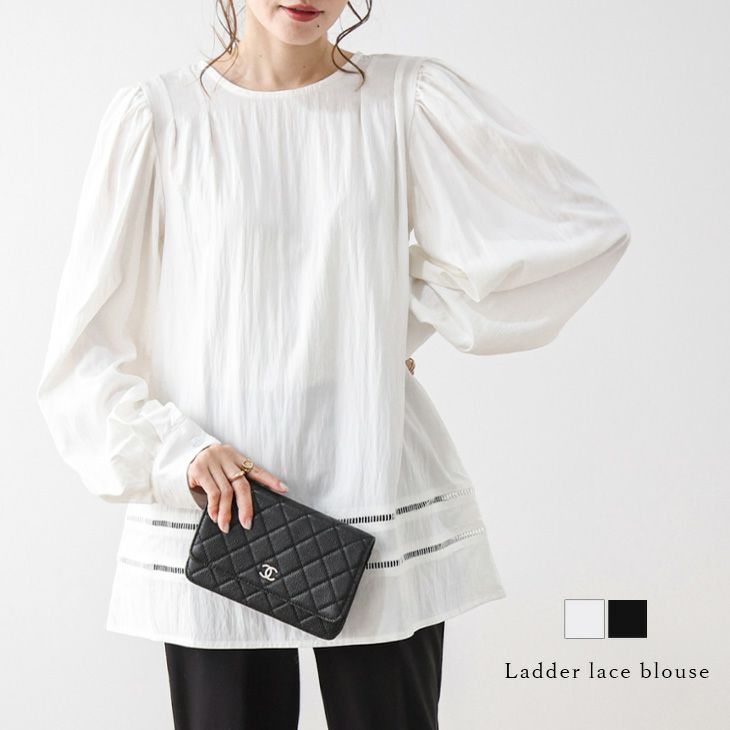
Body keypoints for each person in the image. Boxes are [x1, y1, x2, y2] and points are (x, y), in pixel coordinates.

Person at [35, 1, 632, 728]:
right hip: (220, 506)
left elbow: (577, 229)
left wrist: (388, 320)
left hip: (372, 476)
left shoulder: (407, 102)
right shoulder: (160, 118)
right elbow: (87, 346)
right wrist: (176, 452)